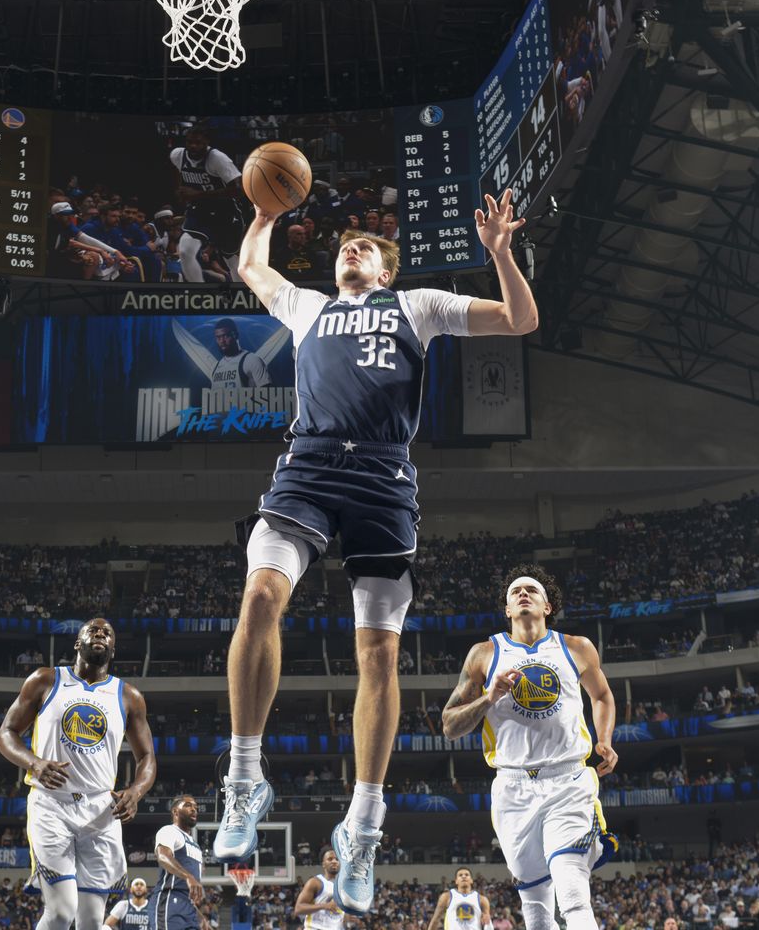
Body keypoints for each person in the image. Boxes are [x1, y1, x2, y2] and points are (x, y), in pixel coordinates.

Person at [216, 187, 539, 915]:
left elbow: (520, 320)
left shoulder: (416, 306)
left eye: (364, 247)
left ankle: (363, 824)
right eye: (344, 248)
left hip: (383, 479)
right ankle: (244, 779)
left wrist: (500, 253)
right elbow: (252, 270)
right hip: (307, 467)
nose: (350, 250)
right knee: (260, 595)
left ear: (386, 271)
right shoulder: (308, 307)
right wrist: (263, 219)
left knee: (379, 654)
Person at [440, 571, 618, 930]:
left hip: (567, 780)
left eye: (531, 590)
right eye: (516, 591)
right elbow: (449, 726)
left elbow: (601, 696)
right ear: (507, 609)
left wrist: (605, 738)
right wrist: (489, 698)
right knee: (535, 911)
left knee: (571, 887)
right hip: (513, 788)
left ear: (547, 606)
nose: (523, 593)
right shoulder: (484, 654)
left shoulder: (576, 647)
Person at [0, 618, 158, 930]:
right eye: (92, 630)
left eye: (107, 632)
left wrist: (135, 792)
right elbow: (6, 734)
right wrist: (34, 763)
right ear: (77, 643)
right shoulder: (45, 679)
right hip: (52, 804)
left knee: (92, 921)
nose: (100, 633)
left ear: (113, 649)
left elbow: (147, 757)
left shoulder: (129, 696)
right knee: (61, 912)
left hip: (101, 809)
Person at [169, 127, 246, 282]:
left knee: (232, 259)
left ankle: (242, 293)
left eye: (198, 143)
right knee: (185, 251)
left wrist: (197, 194)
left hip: (225, 212)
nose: (193, 146)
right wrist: (179, 190)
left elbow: (239, 190)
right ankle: (198, 291)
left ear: (207, 142)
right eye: (189, 142)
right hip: (199, 209)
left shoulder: (218, 159)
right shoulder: (177, 155)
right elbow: (177, 171)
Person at [154, 794, 211, 930]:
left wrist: (200, 917)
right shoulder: (169, 831)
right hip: (170, 899)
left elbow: (191, 890)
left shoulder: (196, 846)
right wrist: (188, 876)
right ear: (175, 812)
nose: (194, 809)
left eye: (195, 807)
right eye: (188, 805)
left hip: (189, 907)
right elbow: (162, 856)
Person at [210, 319, 272, 391]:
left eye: (225, 336)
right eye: (218, 337)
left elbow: (267, 394)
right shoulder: (215, 367)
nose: (222, 341)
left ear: (235, 335)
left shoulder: (252, 360)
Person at [426, 867, 494, 930]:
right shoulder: (446, 897)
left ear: (471, 880)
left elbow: (487, 922)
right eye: (460, 875)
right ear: (456, 881)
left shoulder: (482, 899)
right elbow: (436, 919)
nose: (463, 876)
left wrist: (486, 919)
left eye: (466, 875)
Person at [293, 850, 344, 930]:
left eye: (337, 859)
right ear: (323, 864)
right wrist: (324, 906)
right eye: (330, 859)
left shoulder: (344, 886)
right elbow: (298, 909)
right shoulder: (315, 882)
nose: (334, 861)